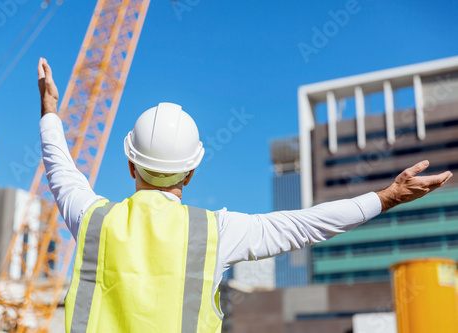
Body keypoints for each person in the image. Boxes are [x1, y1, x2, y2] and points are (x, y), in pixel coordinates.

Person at [37, 57, 453, 333]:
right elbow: (305, 226)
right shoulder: (215, 232)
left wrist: (51, 111)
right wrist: (386, 196)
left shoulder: (94, 219)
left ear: (130, 165)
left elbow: (60, 171)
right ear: (191, 172)